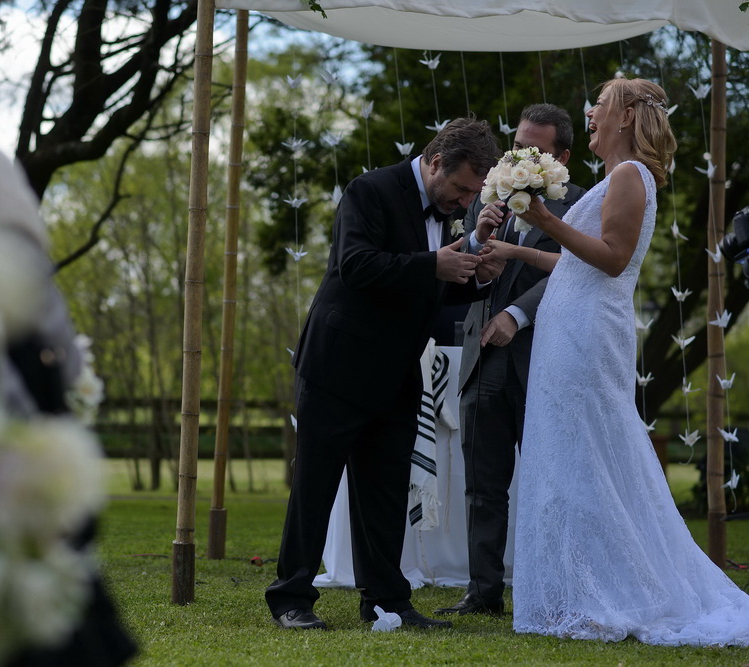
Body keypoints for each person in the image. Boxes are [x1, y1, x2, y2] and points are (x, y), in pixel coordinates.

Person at [491, 77, 749, 645]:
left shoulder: (631, 177)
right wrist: (516, 250)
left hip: (587, 334)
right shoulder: (615, 178)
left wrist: (544, 219)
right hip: (568, 325)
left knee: (590, 456)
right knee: (569, 453)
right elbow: (575, 264)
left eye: (599, 106)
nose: (589, 113)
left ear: (627, 117)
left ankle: (610, 593)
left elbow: (612, 260)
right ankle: (585, 590)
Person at [266, 118, 504, 630]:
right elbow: (356, 265)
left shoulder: (447, 210)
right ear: (435, 161)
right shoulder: (369, 189)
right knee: (316, 486)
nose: (466, 202)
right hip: (338, 364)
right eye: (461, 188)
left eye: (473, 193)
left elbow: (429, 288)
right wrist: (435, 265)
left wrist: (473, 277)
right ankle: (291, 600)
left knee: (386, 491)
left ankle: (386, 601)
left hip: (398, 371)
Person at [435, 104, 586, 617]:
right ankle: (482, 593)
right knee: (482, 484)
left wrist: (518, 316)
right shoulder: (487, 199)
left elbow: (573, 274)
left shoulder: (581, 207)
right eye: (519, 146)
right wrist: (478, 241)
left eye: (538, 151)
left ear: (562, 157)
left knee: (550, 483)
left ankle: (554, 589)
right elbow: (462, 265)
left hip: (544, 361)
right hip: (481, 357)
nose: (525, 158)